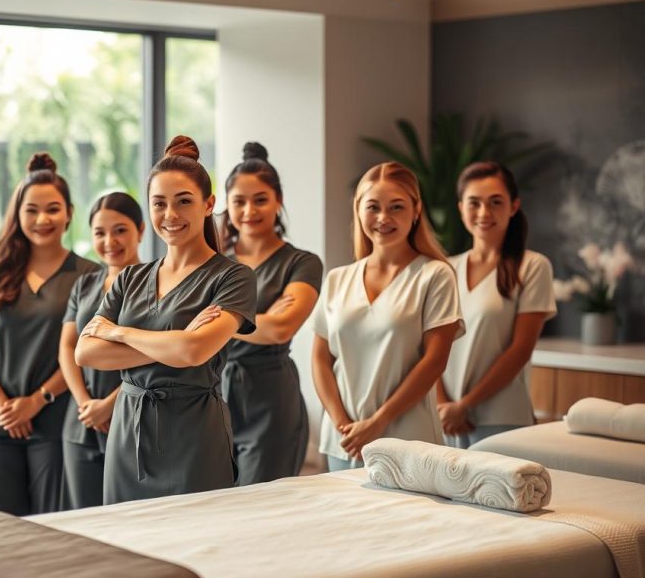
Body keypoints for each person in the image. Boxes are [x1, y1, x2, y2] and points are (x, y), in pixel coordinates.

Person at [76, 135, 257, 504]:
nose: (170, 215)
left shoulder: (233, 277)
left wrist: (120, 332)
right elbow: (87, 352)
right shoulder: (130, 277)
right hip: (129, 431)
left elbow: (194, 352)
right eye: (159, 204)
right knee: (126, 545)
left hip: (193, 432)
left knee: (197, 542)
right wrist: (173, 343)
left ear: (209, 205)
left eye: (184, 202)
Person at [0, 153, 98, 515]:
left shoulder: (90, 277)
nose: (42, 219)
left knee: (51, 524)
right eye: (32, 210)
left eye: (53, 209)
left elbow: (84, 351)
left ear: (69, 213)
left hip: (54, 421)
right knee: (0, 527)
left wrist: (38, 400)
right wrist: (3, 406)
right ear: (17, 214)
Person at [311, 161, 464, 471]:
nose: (384, 218)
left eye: (396, 207)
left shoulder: (435, 275)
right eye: (373, 207)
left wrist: (378, 423)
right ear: (358, 209)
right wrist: (343, 424)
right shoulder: (338, 279)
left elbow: (434, 362)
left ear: (416, 209)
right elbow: (320, 360)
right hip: (344, 442)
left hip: (409, 442)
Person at [218, 141, 323, 485]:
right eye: (239, 202)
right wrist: (253, 321)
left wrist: (212, 320)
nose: (249, 210)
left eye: (260, 199)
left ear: (278, 201)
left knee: (259, 503)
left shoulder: (302, 263)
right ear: (226, 206)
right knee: (210, 504)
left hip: (270, 397)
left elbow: (280, 328)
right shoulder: (213, 264)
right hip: (212, 394)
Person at [438, 161, 556, 448]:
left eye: (495, 202)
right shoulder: (444, 270)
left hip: (501, 419)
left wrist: (465, 404)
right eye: (474, 203)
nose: (483, 213)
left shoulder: (533, 266)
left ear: (514, 206)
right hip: (445, 419)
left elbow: (520, 350)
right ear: (460, 208)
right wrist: (443, 406)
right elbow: (430, 347)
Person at [58, 192, 145, 508]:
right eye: (100, 232)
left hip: (131, 418)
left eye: (120, 230)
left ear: (141, 230)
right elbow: (67, 347)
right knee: (84, 520)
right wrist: (86, 404)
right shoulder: (85, 284)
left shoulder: (155, 283)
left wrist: (109, 405)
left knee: (128, 516)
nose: (110, 241)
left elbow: (157, 357)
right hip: (81, 421)